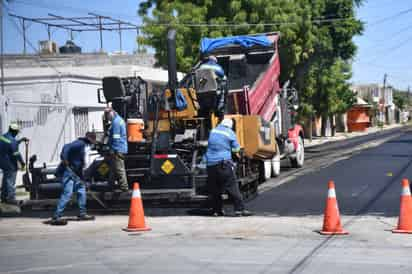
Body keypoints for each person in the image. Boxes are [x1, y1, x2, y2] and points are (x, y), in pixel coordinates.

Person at [205, 118, 252, 217]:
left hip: (210, 165)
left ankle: (217, 211)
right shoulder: (230, 133)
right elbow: (236, 149)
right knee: (232, 186)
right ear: (230, 125)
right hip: (223, 164)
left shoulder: (213, 131)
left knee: (216, 189)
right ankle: (239, 210)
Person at [51, 132, 97, 225]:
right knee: (67, 193)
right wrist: (65, 159)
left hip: (75, 173)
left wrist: (82, 178)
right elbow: (66, 147)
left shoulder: (83, 146)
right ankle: (56, 216)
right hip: (68, 172)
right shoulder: (79, 143)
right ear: (89, 140)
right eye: (92, 142)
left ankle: (82, 214)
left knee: (81, 190)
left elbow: (79, 163)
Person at [0, 123, 28, 205]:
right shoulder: (12, 141)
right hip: (10, 164)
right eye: (17, 132)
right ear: (14, 131)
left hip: (2, 163)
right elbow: (16, 154)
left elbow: (10, 145)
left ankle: (4, 197)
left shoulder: (3, 137)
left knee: (6, 179)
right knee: (10, 181)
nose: (17, 134)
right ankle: (11, 198)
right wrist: (22, 163)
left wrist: (20, 141)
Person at [104, 108, 129, 192]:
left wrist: (112, 149)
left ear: (111, 113)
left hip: (117, 149)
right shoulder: (119, 120)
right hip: (120, 148)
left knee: (119, 168)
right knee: (113, 168)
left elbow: (116, 138)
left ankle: (124, 187)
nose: (108, 119)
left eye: (107, 116)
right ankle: (110, 185)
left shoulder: (116, 122)